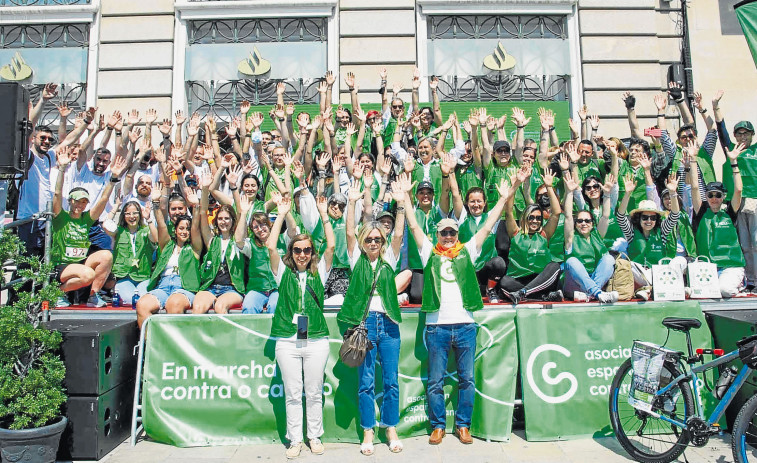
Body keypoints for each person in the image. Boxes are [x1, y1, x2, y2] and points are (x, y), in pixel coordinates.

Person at [403, 171, 515, 446]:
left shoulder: (468, 250)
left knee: (467, 380)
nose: (449, 236)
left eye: (453, 231)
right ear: (438, 234)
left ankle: (463, 425)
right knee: (436, 382)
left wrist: (503, 199)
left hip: (465, 326)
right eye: (444, 232)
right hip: (436, 328)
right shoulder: (430, 252)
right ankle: (438, 425)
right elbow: (416, 228)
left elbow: (488, 227)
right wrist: (405, 198)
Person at [338, 178, 407, 456]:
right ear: (364, 241)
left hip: (389, 324)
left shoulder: (389, 258)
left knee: (390, 380)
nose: (374, 242)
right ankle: (368, 429)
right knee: (366, 382)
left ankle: (390, 427)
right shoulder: (357, 258)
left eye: (378, 239)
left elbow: (400, 235)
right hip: (364, 326)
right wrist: (352, 202)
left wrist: (401, 205)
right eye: (370, 239)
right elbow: (349, 235)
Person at [267, 195, 335, 459]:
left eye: (307, 250)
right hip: (287, 339)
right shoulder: (283, 272)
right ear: (291, 253)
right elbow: (271, 248)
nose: (303, 254)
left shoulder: (320, 272)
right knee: (293, 393)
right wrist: (282, 215)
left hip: (316, 338)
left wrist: (323, 214)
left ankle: (314, 436)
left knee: (314, 391)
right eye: (297, 250)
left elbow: (330, 246)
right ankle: (295, 439)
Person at [50, 147, 122, 307]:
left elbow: (103, 200)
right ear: (70, 201)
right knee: (88, 274)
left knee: (106, 256)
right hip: (62, 265)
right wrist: (62, 169)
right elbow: (57, 192)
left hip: (80, 262)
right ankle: (57, 293)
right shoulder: (61, 217)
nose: (79, 205)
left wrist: (113, 179)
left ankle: (92, 296)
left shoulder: (86, 219)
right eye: (76, 200)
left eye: (83, 202)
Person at [136, 189, 203, 328]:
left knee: (173, 303)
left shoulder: (195, 248)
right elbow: (161, 224)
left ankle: (174, 346)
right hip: (163, 285)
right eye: (181, 228)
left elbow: (196, 227)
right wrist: (155, 203)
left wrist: (196, 207)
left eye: (187, 229)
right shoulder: (167, 245)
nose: (185, 231)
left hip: (183, 287)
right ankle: (151, 344)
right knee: (142, 305)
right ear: (176, 230)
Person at [689, 142, 746, 297]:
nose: (714, 198)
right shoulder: (701, 212)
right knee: (701, 294)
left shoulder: (730, 211)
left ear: (723, 197)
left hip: (731, 265)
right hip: (707, 267)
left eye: (718, 195)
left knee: (724, 291)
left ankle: (739, 286)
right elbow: (694, 187)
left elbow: (739, 190)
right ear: (706, 197)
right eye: (710, 195)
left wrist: (734, 162)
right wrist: (693, 159)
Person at [499, 166, 563, 304]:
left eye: (538, 218)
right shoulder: (516, 233)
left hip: (541, 279)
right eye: (531, 217)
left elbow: (556, 213)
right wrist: (515, 185)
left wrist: (549, 187)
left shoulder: (544, 234)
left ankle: (523, 294)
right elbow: (509, 211)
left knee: (554, 266)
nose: (535, 221)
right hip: (518, 280)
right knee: (504, 282)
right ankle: (537, 297)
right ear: (525, 218)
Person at [616, 172, 682, 300]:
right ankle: (650, 289)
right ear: (638, 219)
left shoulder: (662, 232)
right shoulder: (631, 233)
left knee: (680, 261)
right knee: (625, 263)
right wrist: (628, 194)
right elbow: (620, 217)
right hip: (639, 273)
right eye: (645, 217)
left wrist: (673, 193)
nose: (649, 221)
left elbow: (674, 215)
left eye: (652, 218)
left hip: (660, 273)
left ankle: (648, 290)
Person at [192, 173, 246, 314]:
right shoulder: (212, 240)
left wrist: (234, 187)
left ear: (233, 221)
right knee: (197, 308)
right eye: (221, 218)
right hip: (210, 286)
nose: (223, 221)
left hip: (232, 288)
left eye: (227, 218)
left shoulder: (239, 240)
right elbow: (203, 213)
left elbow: (240, 212)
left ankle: (224, 337)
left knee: (220, 307)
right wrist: (205, 189)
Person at [562, 173, 618, 303]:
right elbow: (568, 217)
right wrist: (570, 193)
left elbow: (605, 216)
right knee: (572, 261)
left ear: (593, 224)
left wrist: (607, 194)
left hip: (592, 281)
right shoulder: (571, 238)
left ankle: (591, 294)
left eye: (587, 221)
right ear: (575, 225)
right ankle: (597, 293)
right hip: (573, 284)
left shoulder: (597, 235)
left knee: (609, 259)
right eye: (580, 221)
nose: (583, 223)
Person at [235, 198, 283, 314]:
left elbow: (292, 229)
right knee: (249, 307)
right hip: (257, 289)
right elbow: (238, 240)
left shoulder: (282, 240)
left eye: (263, 225)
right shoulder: (251, 245)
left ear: (269, 224)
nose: (260, 229)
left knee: (275, 307)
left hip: (277, 288)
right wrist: (244, 213)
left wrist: (283, 212)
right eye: (256, 227)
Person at [107, 200, 157, 305]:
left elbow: (156, 238)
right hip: (124, 278)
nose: (132, 216)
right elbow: (106, 225)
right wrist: (115, 207)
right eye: (128, 213)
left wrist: (149, 219)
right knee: (130, 300)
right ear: (123, 216)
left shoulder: (146, 231)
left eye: (135, 213)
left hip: (143, 278)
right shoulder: (118, 231)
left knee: (145, 300)